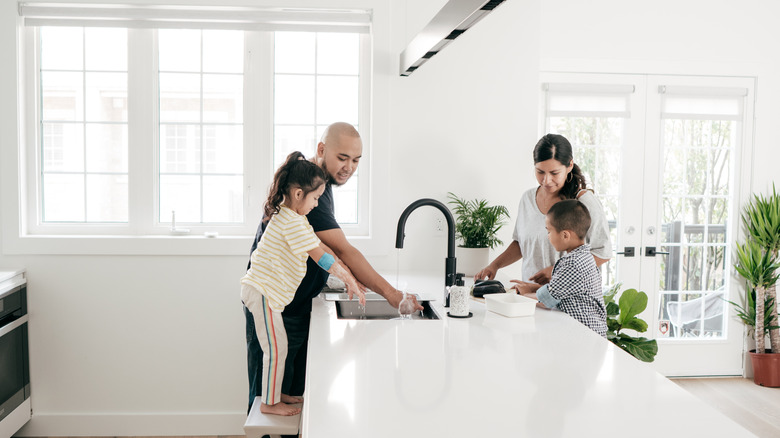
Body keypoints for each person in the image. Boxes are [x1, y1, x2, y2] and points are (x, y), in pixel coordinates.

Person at [243, 122, 422, 415]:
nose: (349, 167)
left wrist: (347, 278)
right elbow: (336, 251)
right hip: (274, 303)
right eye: (342, 158)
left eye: (356, 160)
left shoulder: (315, 185)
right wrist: (390, 293)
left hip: (292, 303)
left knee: (291, 396)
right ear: (322, 150)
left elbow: (321, 250)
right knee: (265, 397)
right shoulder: (306, 190)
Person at [241, 151, 365, 416]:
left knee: (279, 348)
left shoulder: (295, 219)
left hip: (267, 293)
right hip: (262, 292)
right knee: (276, 349)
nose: (318, 204)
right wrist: (349, 279)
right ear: (298, 194)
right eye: (316, 198)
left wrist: (350, 277)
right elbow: (322, 258)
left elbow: (322, 247)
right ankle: (269, 403)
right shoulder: (292, 223)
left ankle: (277, 394)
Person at [475, 133, 612, 286]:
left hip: (569, 300)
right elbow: (522, 244)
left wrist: (557, 271)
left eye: (554, 173)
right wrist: (494, 265)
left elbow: (603, 253)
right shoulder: (527, 199)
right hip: (530, 295)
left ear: (569, 166)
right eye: (540, 172)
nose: (546, 180)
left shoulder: (584, 202)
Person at [512, 199, 607, 337]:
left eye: (549, 231)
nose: (548, 237)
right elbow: (561, 290)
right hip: (586, 332)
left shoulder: (573, 263)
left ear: (565, 235)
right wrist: (531, 288)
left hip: (584, 334)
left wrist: (522, 296)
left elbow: (547, 300)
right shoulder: (583, 257)